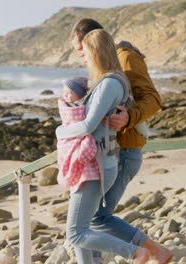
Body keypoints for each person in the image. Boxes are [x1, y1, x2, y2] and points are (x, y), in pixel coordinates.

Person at [70, 19, 171, 263]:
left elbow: (153, 98)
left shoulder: (125, 57)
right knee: (89, 221)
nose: (81, 57)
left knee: (92, 221)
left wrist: (129, 117)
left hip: (124, 150)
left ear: (91, 41)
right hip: (112, 151)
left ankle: (152, 251)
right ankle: (153, 251)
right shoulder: (105, 66)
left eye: (81, 50)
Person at [56, 29, 150, 264]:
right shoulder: (108, 82)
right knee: (85, 229)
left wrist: (60, 132)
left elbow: (88, 125)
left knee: (76, 233)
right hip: (97, 164)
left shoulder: (109, 84)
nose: (83, 58)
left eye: (86, 52)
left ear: (96, 52)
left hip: (96, 167)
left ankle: (136, 252)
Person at [56, 77, 100, 192]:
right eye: (64, 92)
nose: (66, 95)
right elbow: (66, 120)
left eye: (70, 93)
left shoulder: (84, 107)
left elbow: (85, 123)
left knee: (76, 152)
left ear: (79, 95)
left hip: (78, 134)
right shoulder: (65, 105)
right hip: (67, 134)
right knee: (64, 150)